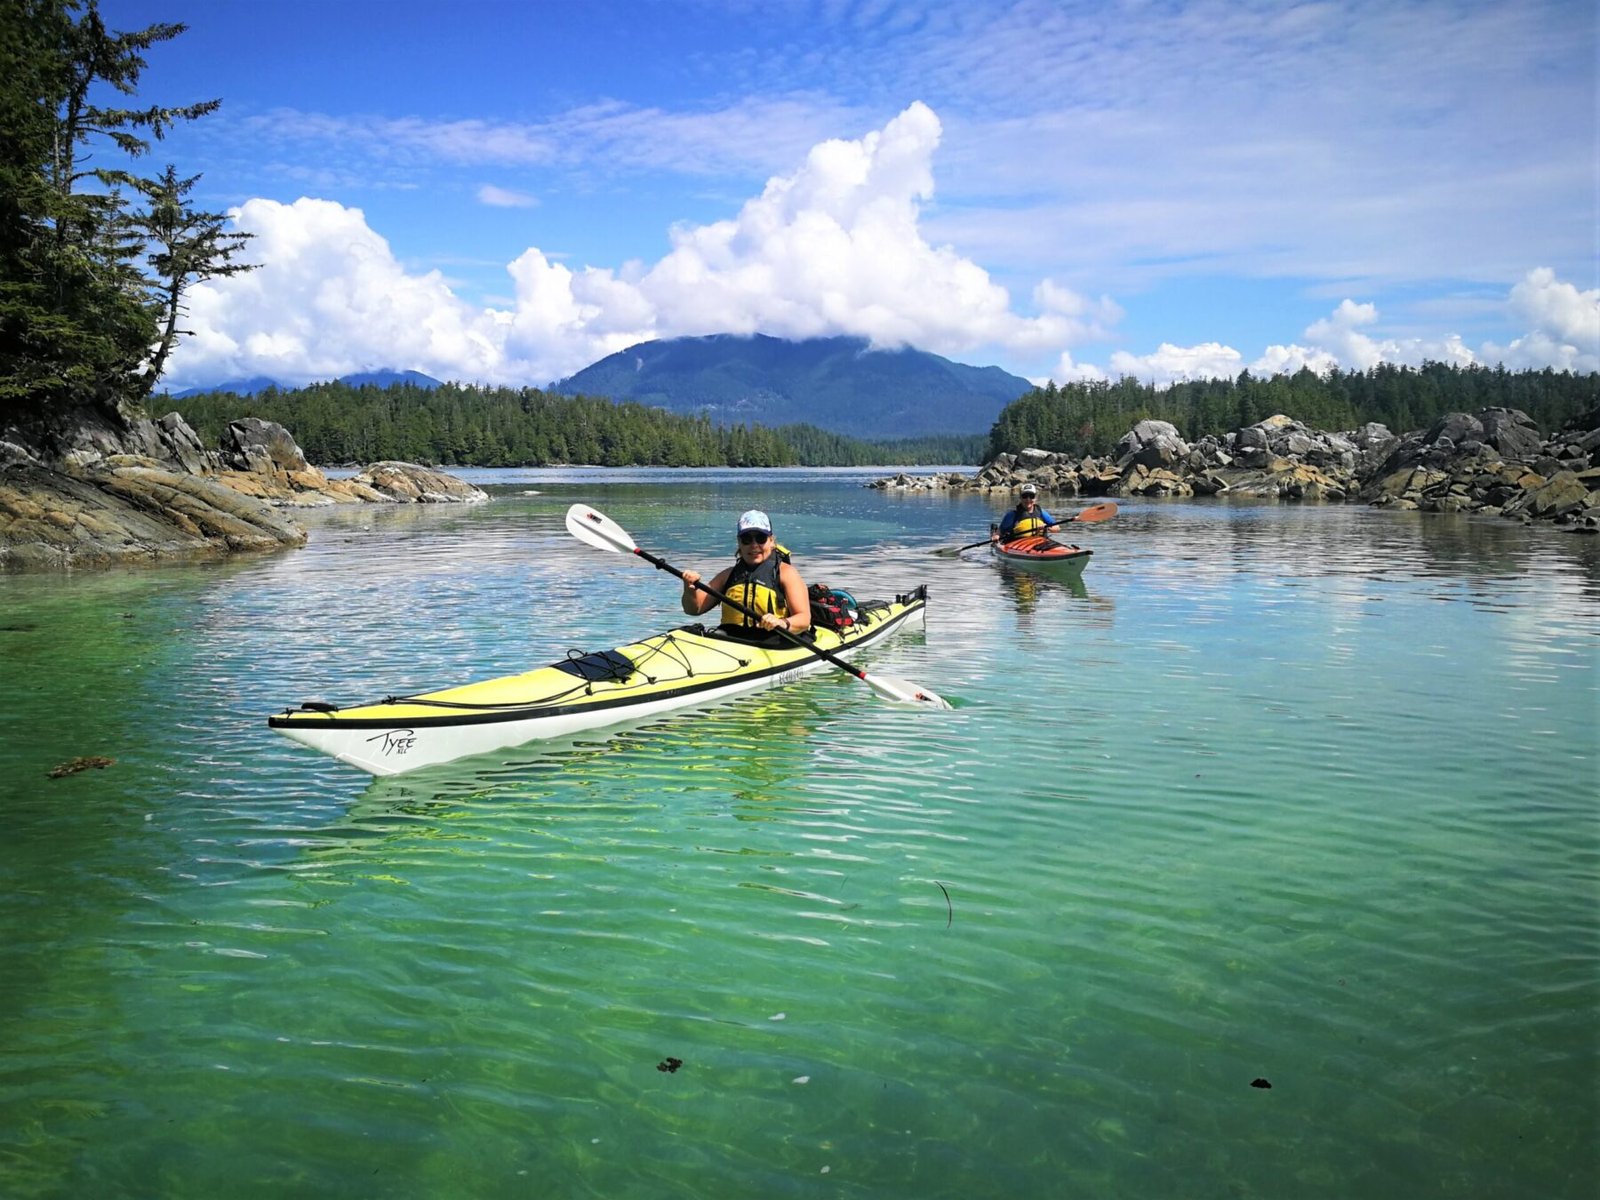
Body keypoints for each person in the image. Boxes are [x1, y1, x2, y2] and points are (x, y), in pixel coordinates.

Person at [680, 509, 811, 640]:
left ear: (771, 541)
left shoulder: (787, 573)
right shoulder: (727, 575)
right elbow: (694, 609)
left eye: (760, 538)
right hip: (734, 641)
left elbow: (804, 619)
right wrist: (689, 589)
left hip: (773, 641)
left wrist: (782, 623)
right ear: (739, 542)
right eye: (746, 539)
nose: (754, 545)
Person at [996, 483, 1060, 541]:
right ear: (1020, 498)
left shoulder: (1041, 513)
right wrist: (996, 536)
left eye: (1031, 496)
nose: (1028, 499)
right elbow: (1000, 532)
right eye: (1025, 496)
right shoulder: (1012, 515)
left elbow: (1057, 528)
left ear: (1035, 498)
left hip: (1040, 542)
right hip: (1018, 543)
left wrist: (1047, 527)